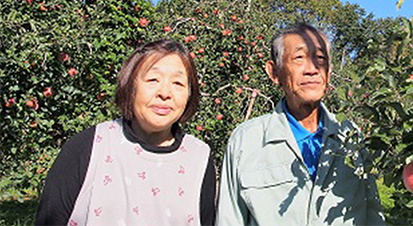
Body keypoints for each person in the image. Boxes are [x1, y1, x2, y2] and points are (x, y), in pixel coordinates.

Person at [215, 23, 384, 225]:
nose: (312, 69)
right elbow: (229, 219)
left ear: (329, 72)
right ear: (274, 72)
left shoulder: (350, 137)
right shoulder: (247, 141)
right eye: (299, 58)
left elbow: (372, 215)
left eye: (320, 59)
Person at [35, 39, 216, 225]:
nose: (165, 92)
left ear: (189, 93)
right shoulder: (89, 147)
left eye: (178, 83)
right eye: (153, 80)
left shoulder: (198, 158)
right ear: (130, 85)